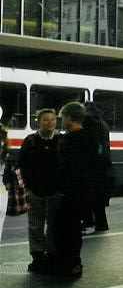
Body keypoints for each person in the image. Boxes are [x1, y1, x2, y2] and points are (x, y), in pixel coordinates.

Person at [55, 101, 102, 279]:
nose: (61, 120)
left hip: (72, 192)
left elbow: (68, 167)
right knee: (72, 228)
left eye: (63, 117)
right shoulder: (88, 138)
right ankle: (72, 263)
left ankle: (70, 263)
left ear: (69, 118)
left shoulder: (72, 140)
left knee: (66, 228)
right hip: (81, 192)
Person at [17, 109, 61, 273]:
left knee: (53, 225)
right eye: (45, 120)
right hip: (35, 191)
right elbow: (20, 166)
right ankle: (37, 256)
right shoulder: (30, 141)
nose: (49, 123)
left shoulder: (61, 141)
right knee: (35, 225)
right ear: (38, 122)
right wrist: (26, 188)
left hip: (55, 192)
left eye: (52, 120)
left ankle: (52, 254)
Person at [81, 101, 112, 234]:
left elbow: (96, 145)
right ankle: (101, 224)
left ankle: (89, 224)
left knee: (88, 196)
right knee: (98, 198)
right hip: (103, 165)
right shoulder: (102, 123)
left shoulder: (89, 122)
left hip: (93, 166)